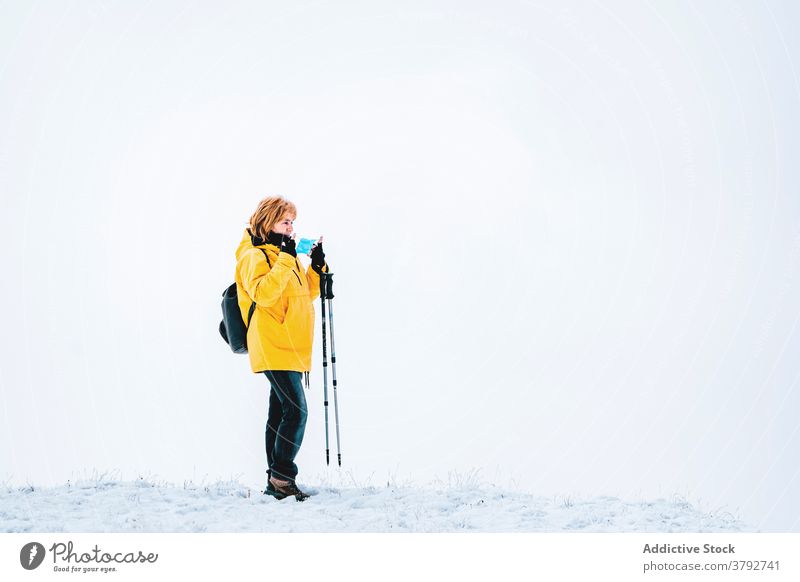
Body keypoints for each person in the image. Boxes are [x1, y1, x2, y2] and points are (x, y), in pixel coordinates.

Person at [234, 195, 328, 501]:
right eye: (286, 221)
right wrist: (288, 259)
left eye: (292, 222)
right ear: (269, 221)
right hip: (272, 342)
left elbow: (304, 294)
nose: (291, 228)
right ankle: (282, 477)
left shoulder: (281, 254)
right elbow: (264, 293)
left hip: (292, 345)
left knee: (281, 412)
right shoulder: (254, 256)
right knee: (297, 411)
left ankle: (275, 482)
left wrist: (315, 266)